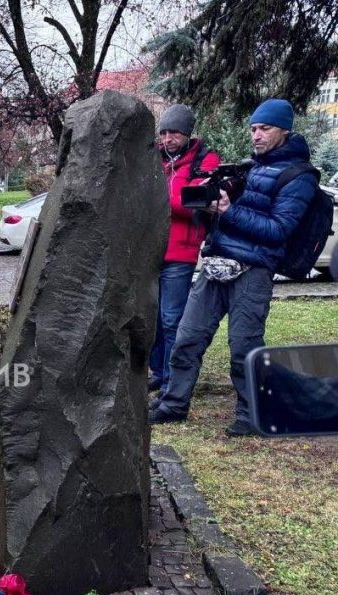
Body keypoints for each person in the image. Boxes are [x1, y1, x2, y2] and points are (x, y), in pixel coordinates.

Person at [150, 99, 319, 436]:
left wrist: (228, 210)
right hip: (215, 264)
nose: (256, 135)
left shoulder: (299, 176)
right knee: (186, 339)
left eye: (265, 128)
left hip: (253, 271)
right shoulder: (250, 167)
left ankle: (250, 415)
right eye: (253, 128)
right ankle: (173, 404)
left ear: (285, 130)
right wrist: (213, 198)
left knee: (245, 348)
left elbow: (278, 230)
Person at [149, 105, 220, 396]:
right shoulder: (153, 157)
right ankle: (158, 371)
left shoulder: (206, 159)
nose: (167, 139)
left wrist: (159, 197)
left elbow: (192, 202)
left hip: (180, 252)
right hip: (151, 249)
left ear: (187, 133)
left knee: (171, 319)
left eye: (173, 133)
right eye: (163, 132)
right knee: (152, 318)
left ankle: (171, 381)